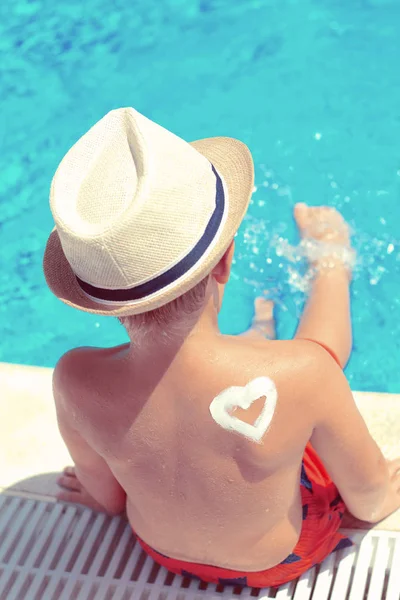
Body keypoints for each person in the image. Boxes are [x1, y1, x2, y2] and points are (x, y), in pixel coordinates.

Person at [43, 107, 400, 588]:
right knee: (315, 358)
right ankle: (331, 258)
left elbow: (107, 500)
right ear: (225, 261)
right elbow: (371, 500)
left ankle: (256, 334)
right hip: (281, 560)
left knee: (292, 374)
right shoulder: (305, 373)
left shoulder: (75, 379)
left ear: (96, 302)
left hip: (159, 553)